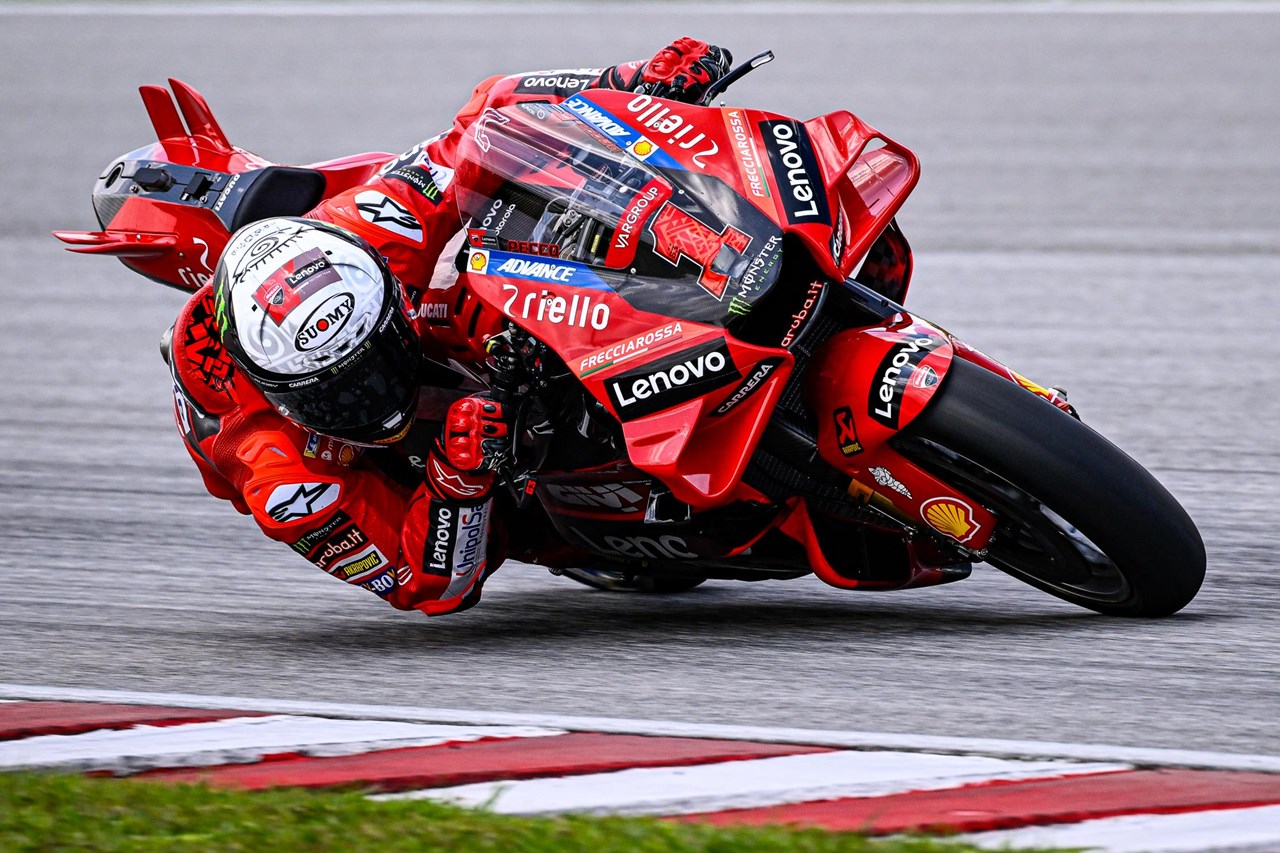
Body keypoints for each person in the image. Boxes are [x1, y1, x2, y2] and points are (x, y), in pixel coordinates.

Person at [166, 39, 732, 616]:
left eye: (379, 362)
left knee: (486, 262)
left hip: (372, 270)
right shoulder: (280, 475)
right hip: (376, 470)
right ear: (280, 393)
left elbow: (486, 115)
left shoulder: (377, 229)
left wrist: (630, 80)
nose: (381, 396)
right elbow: (426, 586)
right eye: (344, 393)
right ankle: (583, 522)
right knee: (508, 509)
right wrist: (455, 478)